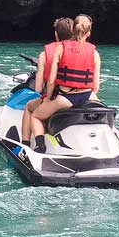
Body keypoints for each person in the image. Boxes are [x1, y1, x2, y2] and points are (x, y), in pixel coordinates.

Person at [30, 14, 100, 154]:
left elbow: (51, 80)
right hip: (88, 97)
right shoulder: (95, 53)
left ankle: (40, 146)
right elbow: (96, 86)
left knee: (36, 116)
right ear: (89, 33)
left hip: (66, 98)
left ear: (73, 30)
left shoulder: (61, 48)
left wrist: (49, 97)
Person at [21, 17, 74, 146]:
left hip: (57, 99)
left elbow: (38, 89)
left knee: (29, 107)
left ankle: (26, 144)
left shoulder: (44, 55)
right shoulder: (82, 52)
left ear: (56, 34)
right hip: (79, 98)